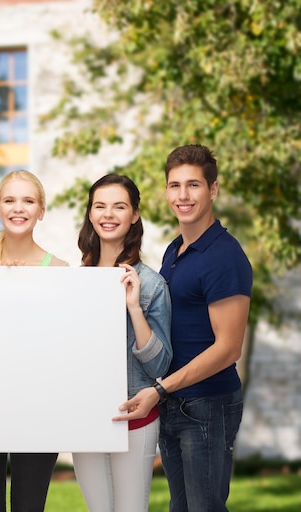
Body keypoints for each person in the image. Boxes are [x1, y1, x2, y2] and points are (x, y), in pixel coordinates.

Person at [114, 144, 253, 511]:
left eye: (193, 185)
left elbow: (228, 349)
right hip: (175, 402)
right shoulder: (174, 251)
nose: (183, 195)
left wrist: (160, 389)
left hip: (207, 404)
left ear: (214, 190)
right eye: (175, 186)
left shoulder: (224, 256)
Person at [0, 170, 68, 512]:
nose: (18, 208)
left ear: (41, 210)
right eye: (9, 200)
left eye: (28, 200)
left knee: (29, 507)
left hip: (39, 410)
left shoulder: (61, 271)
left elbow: (61, 349)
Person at [72, 173, 172, 512]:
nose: (108, 214)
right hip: (85, 416)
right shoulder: (76, 282)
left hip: (135, 417)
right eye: (100, 206)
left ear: (135, 214)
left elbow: (160, 366)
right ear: (90, 214)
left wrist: (134, 307)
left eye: (119, 206)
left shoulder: (152, 285)